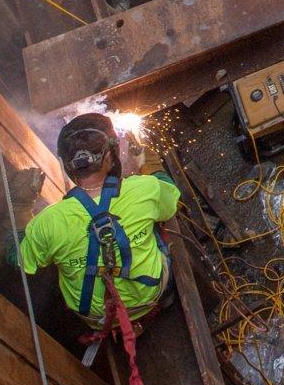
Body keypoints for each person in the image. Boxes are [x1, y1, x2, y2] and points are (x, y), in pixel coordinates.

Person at [19, 112, 179, 329]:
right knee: (156, 226)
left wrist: (20, 206)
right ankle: (166, 296)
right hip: (149, 295)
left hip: (96, 318)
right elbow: (170, 198)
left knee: (57, 256)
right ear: (108, 156)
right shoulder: (144, 188)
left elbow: (19, 258)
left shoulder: (47, 222)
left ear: (68, 166)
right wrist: (147, 163)